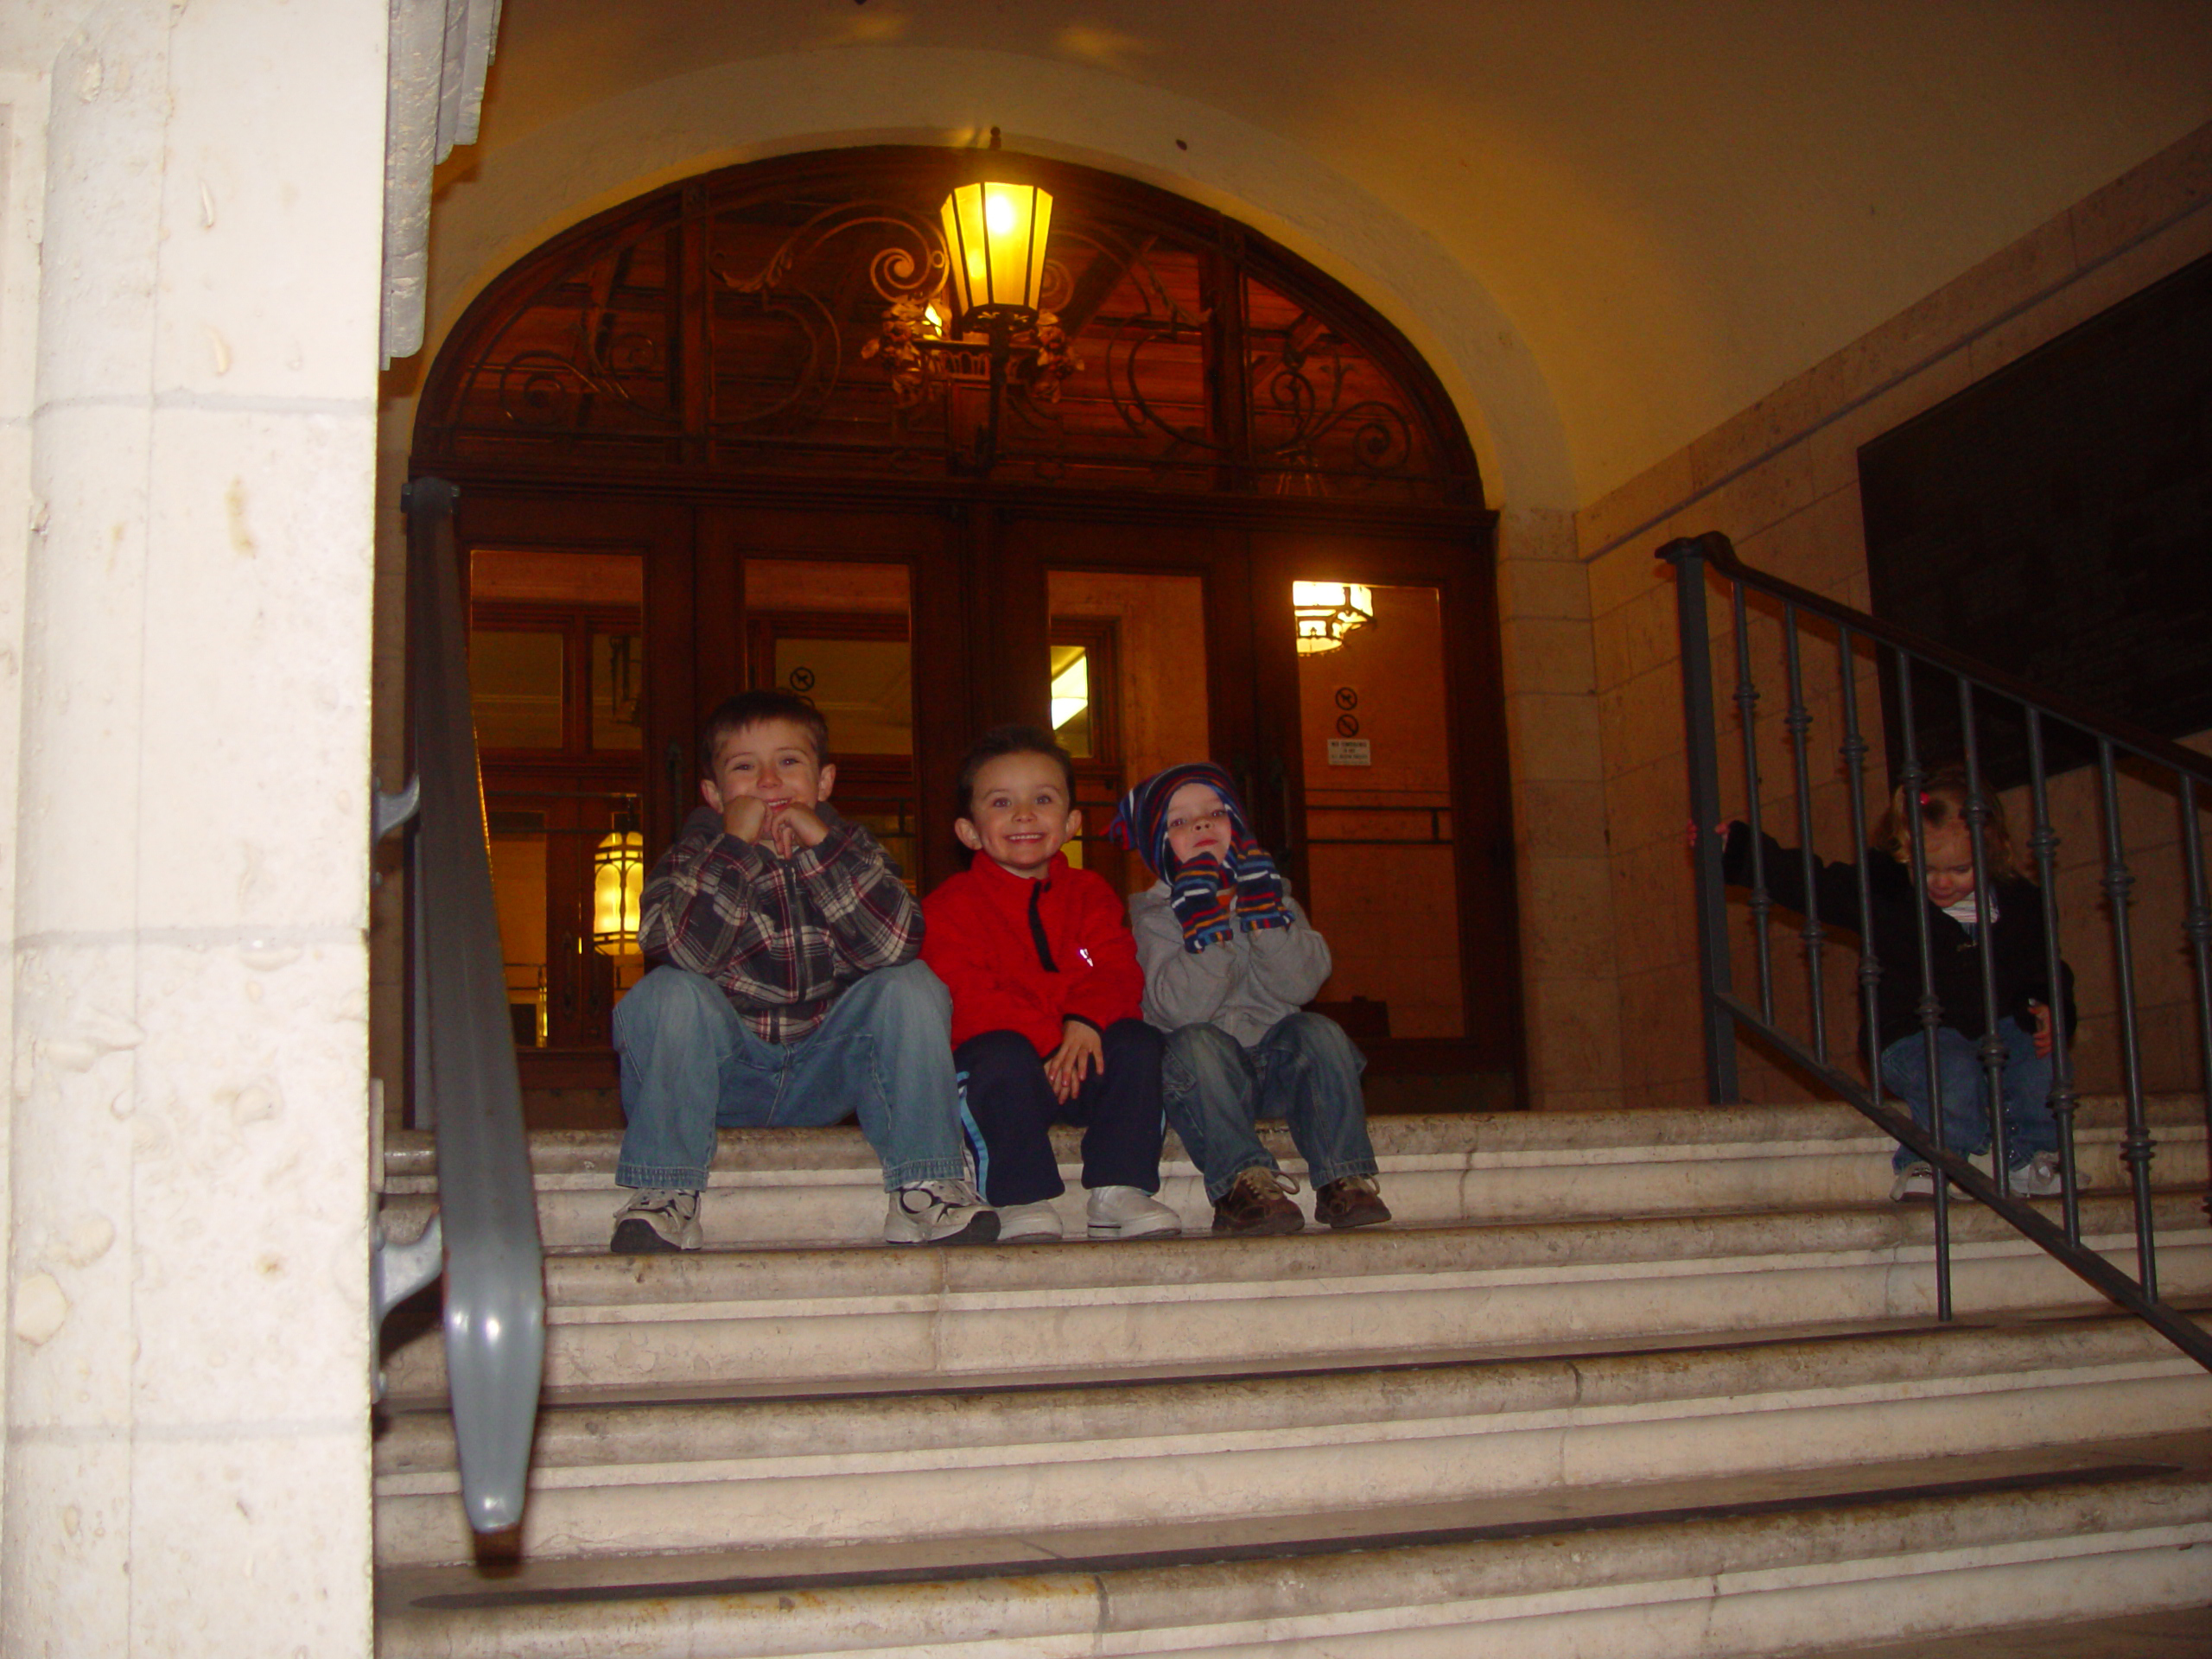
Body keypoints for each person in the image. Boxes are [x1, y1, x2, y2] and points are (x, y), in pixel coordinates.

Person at [607, 690, 995, 1252]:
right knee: (668, 992)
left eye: (789, 762)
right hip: (722, 1072)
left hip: (828, 1066)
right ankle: (665, 1193)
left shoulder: (854, 851)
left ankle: (926, 1185)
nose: (769, 781)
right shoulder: (691, 858)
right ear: (715, 795)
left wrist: (821, 846)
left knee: (910, 984)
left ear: (824, 782)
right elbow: (687, 954)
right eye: (745, 767)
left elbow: (896, 944)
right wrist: (734, 847)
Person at [1707, 765, 2071, 1201]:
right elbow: (1816, 884)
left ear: (1990, 851)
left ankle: (2032, 1156)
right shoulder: (1887, 892)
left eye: (1958, 869)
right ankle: (1936, 1159)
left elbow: (2045, 964)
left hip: (1996, 1028)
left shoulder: (2018, 903)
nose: (1941, 882)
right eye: (1927, 867)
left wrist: (2050, 1004)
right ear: (1904, 850)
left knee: (2039, 1055)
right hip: (1913, 1034)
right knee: (1950, 1069)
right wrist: (1743, 851)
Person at [921, 726, 1179, 1243]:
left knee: (1137, 1042)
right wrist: (1052, 1035)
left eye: (1043, 799)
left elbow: (1117, 969)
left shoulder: (1090, 893)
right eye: (1001, 802)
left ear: (1071, 822)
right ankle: (1019, 1196)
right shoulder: (948, 906)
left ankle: (1119, 1189)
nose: (1023, 815)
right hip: (1014, 1072)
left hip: (1082, 1060)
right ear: (969, 832)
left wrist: (1084, 1021)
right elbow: (966, 996)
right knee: (995, 1055)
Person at [1109, 763, 1390, 1235]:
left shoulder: (1271, 896)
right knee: (1197, 1041)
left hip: (1275, 1068)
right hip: (1205, 1081)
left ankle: (1344, 1176)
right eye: (1178, 822)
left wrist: (1265, 919)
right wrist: (1205, 933)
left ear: (1237, 828)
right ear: (1159, 848)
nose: (1199, 825)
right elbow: (1177, 1010)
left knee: (1318, 1033)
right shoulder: (1152, 919)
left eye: (1214, 813)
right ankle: (1243, 1183)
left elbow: (1301, 984)